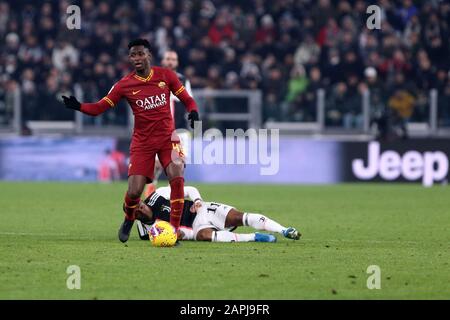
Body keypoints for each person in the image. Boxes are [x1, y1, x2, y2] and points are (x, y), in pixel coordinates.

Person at [61, 39, 200, 242]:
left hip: (167, 138)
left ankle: (173, 229)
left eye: (140, 54)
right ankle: (128, 218)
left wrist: (193, 111)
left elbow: (187, 98)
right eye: (132, 55)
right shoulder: (125, 85)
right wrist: (79, 106)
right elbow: (101, 107)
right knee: (134, 191)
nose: (136, 58)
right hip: (142, 143)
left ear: (148, 55)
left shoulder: (166, 76)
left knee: (177, 175)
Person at [134, 186, 301, 243]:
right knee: (204, 236)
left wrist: (198, 200)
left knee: (238, 217)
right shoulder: (146, 232)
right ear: (133, 216)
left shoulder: (159, 195)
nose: (140, 209)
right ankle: (253, 237)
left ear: (142, 201)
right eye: (135, 211)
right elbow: (173, 236)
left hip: (202, 209)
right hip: (196, 228)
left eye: (139, 205)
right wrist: (180, 235)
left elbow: (190, 189)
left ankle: (284, 230)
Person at [143, 49, 194, 198]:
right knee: (156, 165)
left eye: (173, 59)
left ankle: (171, 197)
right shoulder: (153, 78)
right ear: (163, 61)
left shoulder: (183, 80)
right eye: (168, 59)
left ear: (177, 62)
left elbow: (188, 100)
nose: (170, 61)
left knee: (179, 164)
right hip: (160, 128)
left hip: (180, 129)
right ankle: (151, 196)